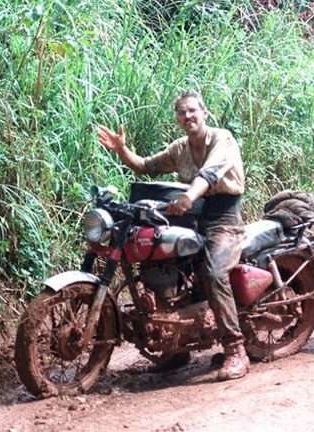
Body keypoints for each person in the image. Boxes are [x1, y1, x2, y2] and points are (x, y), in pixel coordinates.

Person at [97, 90, 250, 380]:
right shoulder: (180, 148)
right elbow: (146, 166)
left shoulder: (223, 139)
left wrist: (188, 197)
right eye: (182, 112)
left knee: (214, 273)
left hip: (223, 219)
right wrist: (122, 150)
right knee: (162, 260)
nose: (187, 116)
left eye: (192, 110)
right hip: (190, 217)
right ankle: (176, 349)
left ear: (204, 113)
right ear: (178, 119)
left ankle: (235, 350)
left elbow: (208, 176)